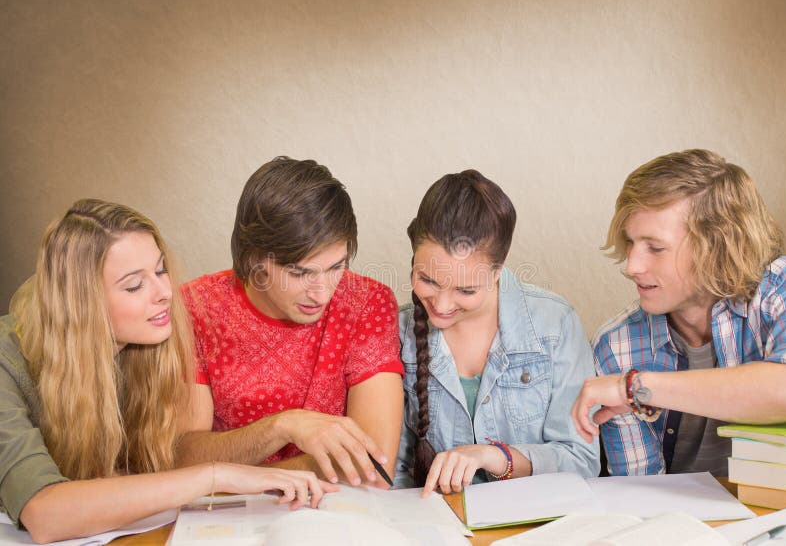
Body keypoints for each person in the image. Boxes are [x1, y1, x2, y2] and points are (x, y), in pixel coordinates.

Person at [0, 199, 335, 544]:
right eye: (134, 286)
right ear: (81, 302)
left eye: (160, 271)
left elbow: (138, 471)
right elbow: (44, 515)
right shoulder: (6, 364)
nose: (164, 293)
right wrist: (215, 476)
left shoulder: (143, 346)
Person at [571, 149, 786, 476]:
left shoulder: (785, 289)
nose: (632, 266)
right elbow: (642, 492)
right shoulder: (616, 345)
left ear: (717, 245)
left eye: (656, 247)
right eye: (631, 242)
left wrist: (638, 388)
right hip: (685, 523)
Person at [178, 157, 404, 488]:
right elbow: (182, 458)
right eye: (300, 273)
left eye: (336, 267)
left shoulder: (367, 303)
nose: (322, 292)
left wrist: (232, 473)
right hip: (228, 521)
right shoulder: (196, 307)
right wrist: (282, 426)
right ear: (254, 258)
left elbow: (374, 468)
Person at [394, 170, 599, 495]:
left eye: (466, 290)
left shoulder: (555, 325)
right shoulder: (398, 332)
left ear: (499, 267)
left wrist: (496, 458)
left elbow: (582, 460)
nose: (443, 304)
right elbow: (393, 472)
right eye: (428, 281)